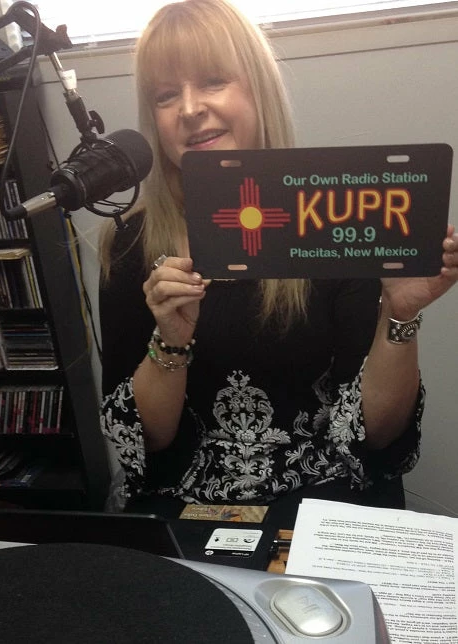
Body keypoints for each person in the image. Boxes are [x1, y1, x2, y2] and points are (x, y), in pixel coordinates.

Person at [98, 0, 458, 528]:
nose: (189, 109)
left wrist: (399, 313)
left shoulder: (334, 214)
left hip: (322, 495)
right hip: (190, 498)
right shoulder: (130, 241)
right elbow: (146, 442)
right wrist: (170, 341)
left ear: (258, 88)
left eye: (213, 81)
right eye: (165, 95)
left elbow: (376, 434)